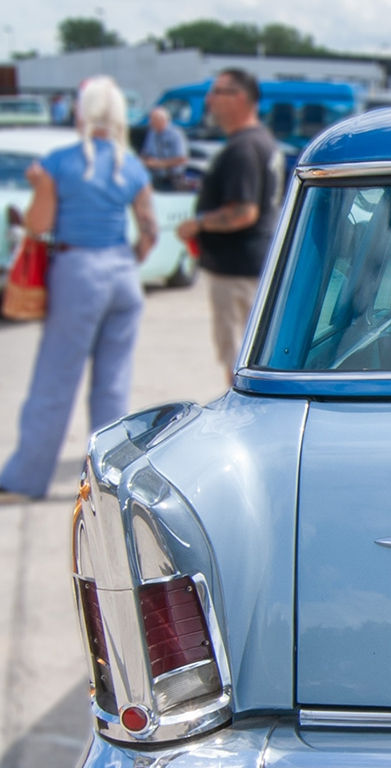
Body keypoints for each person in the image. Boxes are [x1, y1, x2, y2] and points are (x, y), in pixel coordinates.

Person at [0, 77, 156, 504]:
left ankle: (24, 478)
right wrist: (124, 260)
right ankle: (111, 481)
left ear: (81, 112)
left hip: (79, 271)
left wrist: (39, 188)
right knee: (113, 385)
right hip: (122, 273)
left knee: (55, 381)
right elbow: (148, 232)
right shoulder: (131, 165)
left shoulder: (59, 163)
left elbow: (38, 225)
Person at [175, 68, 283, 384]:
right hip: (250, 264)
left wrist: (197, 224)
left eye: (217, 92)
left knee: (239, 362)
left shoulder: (244, 148)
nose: (209, 100)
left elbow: (243, 212)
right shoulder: (260, 141)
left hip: (238, 269)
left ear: (240, 98)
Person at [140, 107, 189, 191]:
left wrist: (159, 164)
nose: (150, 122)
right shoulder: (152, 133)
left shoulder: (176, 134)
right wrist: (142, 160)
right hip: (156, 178)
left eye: (153, 119)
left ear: (162, 120)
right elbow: (146, 152)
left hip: (172, 179)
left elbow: (182, 159)